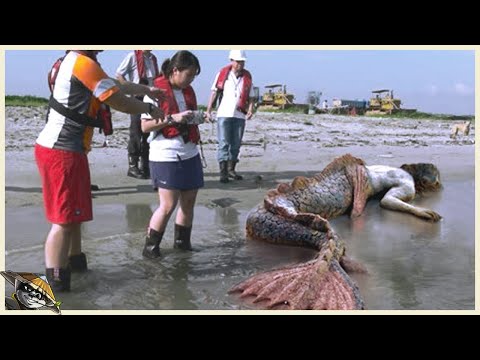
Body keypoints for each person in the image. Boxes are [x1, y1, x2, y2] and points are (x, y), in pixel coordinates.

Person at [35, 50, 164, 292]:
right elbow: (118, 100)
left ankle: (76, 265)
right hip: (61, 150)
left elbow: (117, 86)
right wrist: (149, 108)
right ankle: (57, 285)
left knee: (74, 215)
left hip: (69, 149)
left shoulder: (79, 62)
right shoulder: (83, 64)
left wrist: (147, 90)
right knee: (63, 221)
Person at [140, 50, 204, 258]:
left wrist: (197, 117)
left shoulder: (188, 91)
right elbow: (144, 126)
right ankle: (150, 249)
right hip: (165, 153)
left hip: (189, 151)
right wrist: (171, 118)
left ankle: (182, 245)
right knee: (168, 205)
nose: (191, 79)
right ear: (175, 70)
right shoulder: (156, 90)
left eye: (194, 76)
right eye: (189, 74)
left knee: (189, 201)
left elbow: (187, 117)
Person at [206, 50, 255, 183]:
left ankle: (231, 169)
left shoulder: (247, 77)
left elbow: (251, 96)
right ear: (231, 61)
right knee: (223, 143)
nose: (240, 64)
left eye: (242, 62)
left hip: (239, 115)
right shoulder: (222, 75)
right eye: (238, 61)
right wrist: (208, 110)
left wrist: (250, 109)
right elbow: (214, 92)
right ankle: (223, 172)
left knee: (236, 144)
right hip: (224, 114)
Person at [116, 50, 160, 179]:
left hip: (150, 98)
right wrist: (128, 87)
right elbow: (119, 74)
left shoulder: (153, 59)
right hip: (136, 98)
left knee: (149, 131)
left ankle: (145, 166)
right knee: (136, 131)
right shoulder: (132, 56)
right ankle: (133, 166)